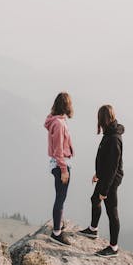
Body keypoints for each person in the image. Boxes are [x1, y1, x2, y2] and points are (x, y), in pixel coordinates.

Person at [79, 104, 124, 257]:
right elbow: (104, 160)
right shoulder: (109, 133)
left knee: (112, 212)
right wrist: (97, 174)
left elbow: (112, 167)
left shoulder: (113, 139)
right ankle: (93, 230)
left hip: (111, 180)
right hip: (104, 177)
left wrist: (104, 190)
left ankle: (113, 247)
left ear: (102, 119)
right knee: (94, 199)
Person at [45, 92, 74, 245]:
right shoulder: (59, 123)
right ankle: (57, 232)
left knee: (60, 196)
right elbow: (58, 150)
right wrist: (64, 170)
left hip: (56, 163)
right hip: (61, 164)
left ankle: (58, 224)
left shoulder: (55, 120)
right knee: (60, 198)